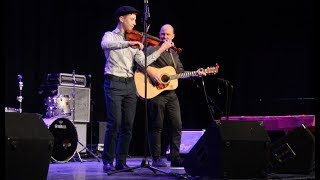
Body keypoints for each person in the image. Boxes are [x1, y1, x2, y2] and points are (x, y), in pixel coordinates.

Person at [100, 6, 173, 173]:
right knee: (115, 123)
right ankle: (107, 161)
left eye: (134, 19)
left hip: (129, 84)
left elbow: (144, 61)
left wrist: (161, 49)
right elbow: (106, 44)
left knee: (127, 125)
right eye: (131, 19)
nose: (134, 23)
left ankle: (121, 162)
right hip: (113, 82)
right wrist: (128, 43)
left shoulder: (134, 43)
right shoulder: (110, 35)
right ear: (121, 19)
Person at [146, 24, 207, 167]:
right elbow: (141, 64)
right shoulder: (151, 49)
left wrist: (195, 73)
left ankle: (175, 157)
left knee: (177, 124)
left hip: (171, 93)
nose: (164, 37)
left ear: (173, 37)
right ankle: (156, 158)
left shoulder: (174, 54)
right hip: (156, 92)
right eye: (162, 34)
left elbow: (180, 72)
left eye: (168, 34)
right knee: (157, 126)